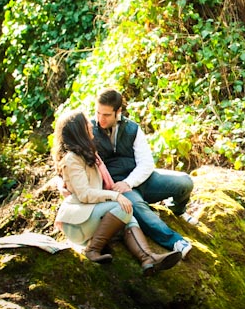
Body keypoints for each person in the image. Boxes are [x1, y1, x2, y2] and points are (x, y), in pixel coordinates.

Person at [52, 110, 182, 275]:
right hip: (77, 222)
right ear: (79, 130)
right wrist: (115, 195)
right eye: (87, 123)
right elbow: (85, 194)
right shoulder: (72, 159)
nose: (92, 124)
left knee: (127, 213)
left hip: (91, 214)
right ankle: (92, 250)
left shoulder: (89, 155)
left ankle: (148, 258)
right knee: (121, 207)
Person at [91, 88, 195, 259]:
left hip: (140, 179)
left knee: (185, 182)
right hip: (117, 186)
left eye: (106, 115)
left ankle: (177, 210)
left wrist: (129, 182)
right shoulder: (89, 130)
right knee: (137, 208)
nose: (100, 119)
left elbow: (146, 163)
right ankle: (176, 242)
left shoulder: (132, 129)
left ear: (118, 112)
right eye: (98, 112)